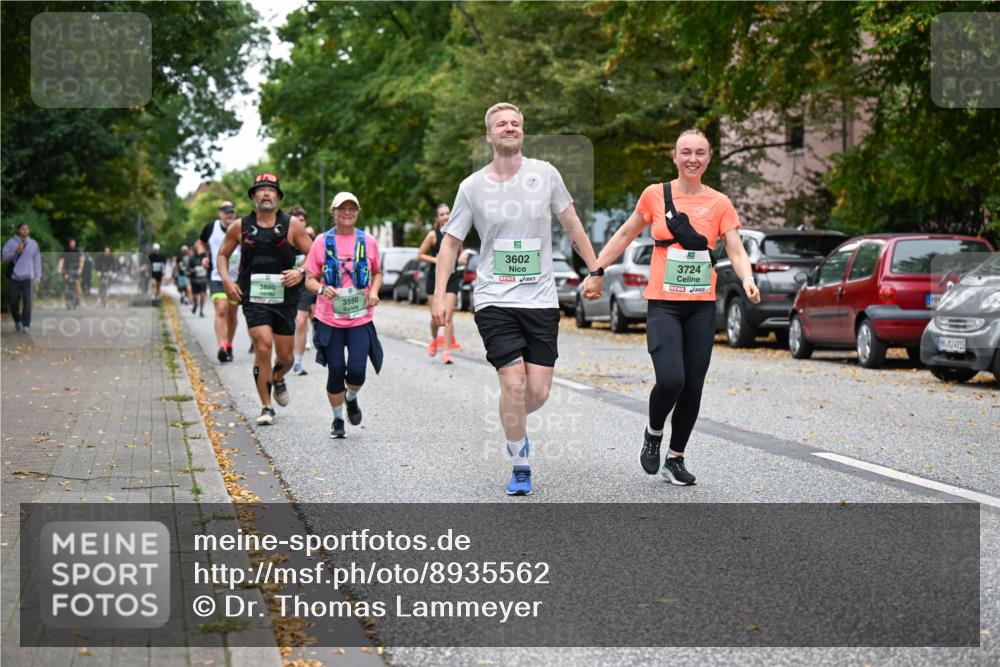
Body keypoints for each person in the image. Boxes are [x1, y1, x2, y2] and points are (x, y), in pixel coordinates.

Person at [431, 102, 603, 496]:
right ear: (489, 136)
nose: (509, 128)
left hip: (540, 298)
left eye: (515, 123)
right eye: (501, 125)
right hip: (494, 297)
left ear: (522, 132)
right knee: (513, 384)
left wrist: (594, 269)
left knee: (537, 392)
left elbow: (572, 223)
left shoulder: (545, 174)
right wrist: (441, 294)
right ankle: (520, 462)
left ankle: (512, 422)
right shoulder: (472, 187)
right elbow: (451, 242)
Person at [583, 128, 760, 486]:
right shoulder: (655, 195)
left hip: (701, 306)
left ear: (709, 158)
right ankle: (653, 432)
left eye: (699, 152)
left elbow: (736, 248)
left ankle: (675, 459)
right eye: (685, 152)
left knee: (693, 385)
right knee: (672, 379)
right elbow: (623, 234)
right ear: (674, 156)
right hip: (664, 304)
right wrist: (597, 269)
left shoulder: (720, 203)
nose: (692, 159)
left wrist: (747, 278)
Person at [218, 174, 313, 426]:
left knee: (287, 358)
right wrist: (227, 280)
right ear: (253, 196)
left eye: (271, 190)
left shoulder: (292, 225)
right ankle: (266, 406)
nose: (266, 194)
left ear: (279, 197)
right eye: (261, 190)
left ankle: (278, 378)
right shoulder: (240, 226)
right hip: (253, 297)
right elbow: (222, 254)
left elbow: (315, 254)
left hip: (285, 298)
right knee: (263, 346)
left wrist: (300, 271)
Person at [302, 192, 383, 439]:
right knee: (336, 369)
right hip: (329, 318)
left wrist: (375, 291)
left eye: (352, 209)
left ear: (357, 212)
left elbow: (377, 272)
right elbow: (309, 279)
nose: (347, 213)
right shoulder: (321, 242)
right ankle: (338, 420)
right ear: (333, 211)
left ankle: (351, 398)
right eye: (342, 209)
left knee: (357, 370)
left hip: (360, 316)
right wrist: (321, 288)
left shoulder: (367, 241)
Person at [418, 203, 462, 364]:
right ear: (438, 218)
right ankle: (434, 339)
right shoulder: (433, 235)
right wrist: (437, 259)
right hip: (434, 279)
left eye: (447, 213)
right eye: (442, 214)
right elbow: (420, 254)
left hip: (452, 278)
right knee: (436, 316)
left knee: (448, 317)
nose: (445, 216)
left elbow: (460, 253)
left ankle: (447, 351)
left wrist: (462, 258)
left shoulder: (457, 232)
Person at [201, 201, 242, 362]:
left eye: (231, 212)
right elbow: (200, 243)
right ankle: (222, 347)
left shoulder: (240, 228)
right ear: (220, 214)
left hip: (236, 278)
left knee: (232, 313)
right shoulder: (211, 228)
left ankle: (229, 344)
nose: (229, 215)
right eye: (226, 212)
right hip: (217, 276)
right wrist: (204, 256)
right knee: (221, 308)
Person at [288, 207, 316, 376]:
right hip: (286, 286)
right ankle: (285, 356)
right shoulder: (283, 240)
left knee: (301, 321)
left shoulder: (311, 241)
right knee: (287, 324)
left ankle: (297, 362)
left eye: (302, 220)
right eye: (295, 220)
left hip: (305, 285)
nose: (299, 223)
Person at [3, 222, 42, 332]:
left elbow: (37, 261)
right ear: (18, 230)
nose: (25, 230)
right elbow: (4, 258)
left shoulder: (33, 244)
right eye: (23, 228)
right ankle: (18, 321)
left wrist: (38, 277)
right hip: (14, 278)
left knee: (28, 302)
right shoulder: (11, 243)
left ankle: (26, 324)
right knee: (13, 301)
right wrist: (16, 251)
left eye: (27, 229)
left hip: (28, 277)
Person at [57, 238, 84, 309]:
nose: (72, 245)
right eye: (71, 243)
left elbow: (81, 261)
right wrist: (59, 269)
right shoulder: (64, 252)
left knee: (77, 283)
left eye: (74, 243)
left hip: (76, 270)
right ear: (69, 244)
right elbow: (61, 261)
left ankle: (77, 298)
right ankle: (67, 299)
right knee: (65, 282)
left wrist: (80, 269)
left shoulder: (78, 251)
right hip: (67, 270)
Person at [187, 240, 210, 317]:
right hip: (194, 280)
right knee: (195, 296)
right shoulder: (191, 259)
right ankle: (195, 304)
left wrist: (206, 268)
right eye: (197, 248)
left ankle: (201, 311)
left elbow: (209, 267)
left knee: (203, 295)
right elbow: (188, 269)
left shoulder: (205, 257)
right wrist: (194, 270)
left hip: (203, 279)